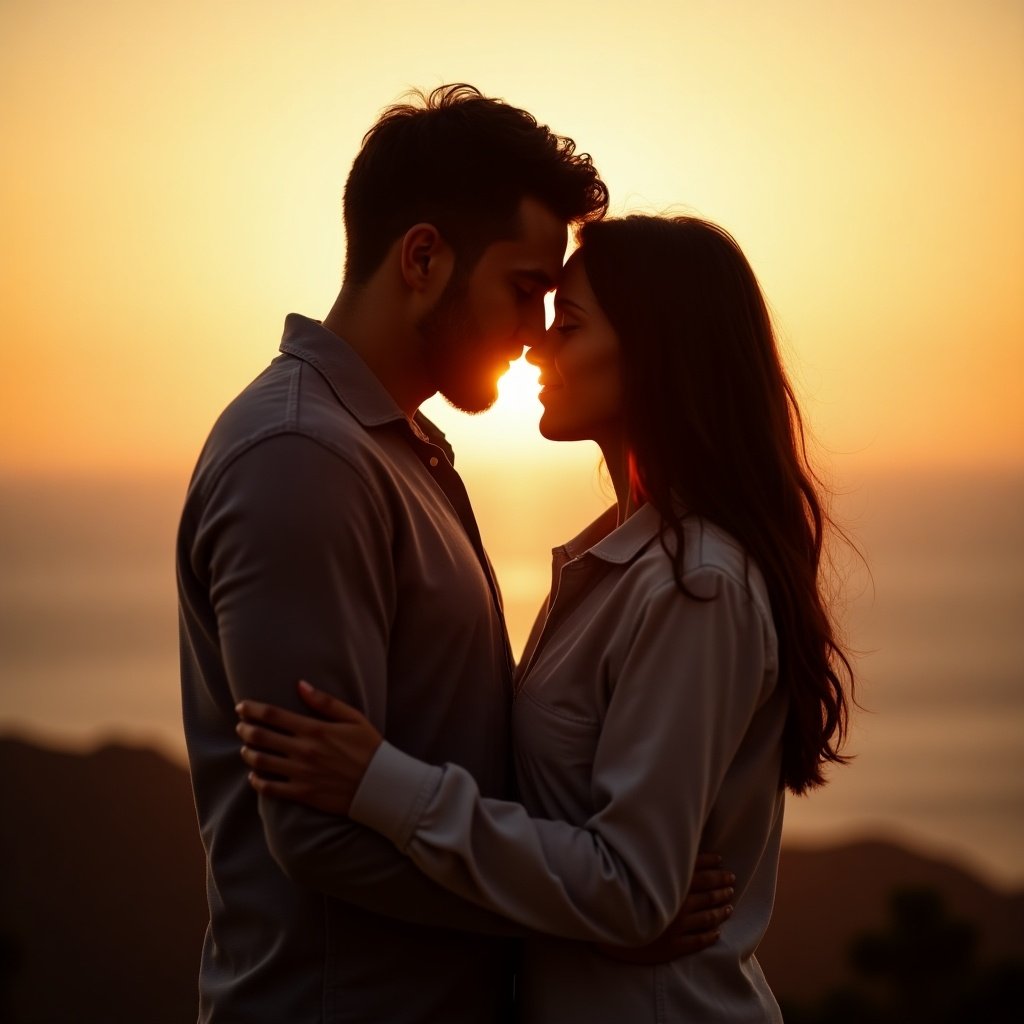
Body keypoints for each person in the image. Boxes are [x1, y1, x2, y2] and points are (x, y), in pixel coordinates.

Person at [177, 86, 730, 1024]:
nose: (535, 332)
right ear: (424, 258)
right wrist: (600, 912)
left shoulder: (398, 451)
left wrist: (601, 889)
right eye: (524, 289)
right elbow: (316, 832)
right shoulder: (303, 459)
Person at [235, 214, 856, 1021]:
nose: (536, 344)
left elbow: (632, 890)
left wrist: (378, 782)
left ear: (656, 353)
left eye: (568, 323)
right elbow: (607, 873)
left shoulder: (696, 588)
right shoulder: (621, 565)